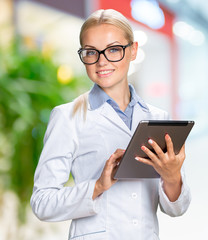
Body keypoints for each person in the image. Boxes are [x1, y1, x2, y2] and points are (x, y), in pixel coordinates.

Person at [30, 9, 191, 240]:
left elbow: (177, 209)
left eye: (113, 49)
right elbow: (41, 202)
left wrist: (172, 176)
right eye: (91, 52)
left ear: (133, 50)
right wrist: (96, 186)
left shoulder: (158, 118)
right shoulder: (67, 117)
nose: (101, 61)